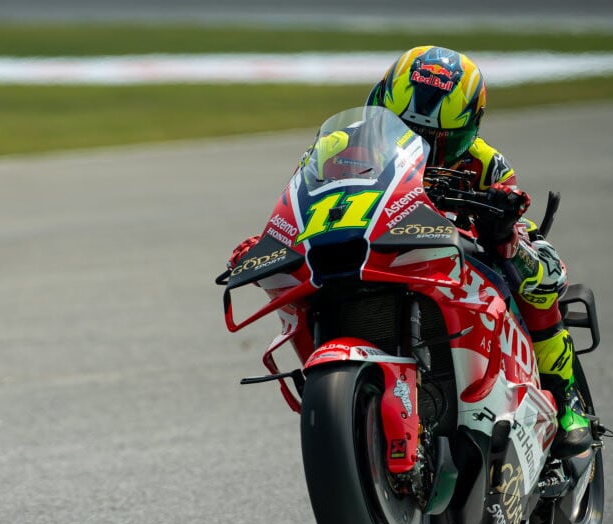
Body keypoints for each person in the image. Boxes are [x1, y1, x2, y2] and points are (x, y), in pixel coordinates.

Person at [229, 45, 591, 457]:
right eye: (405, 127)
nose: (423, 144)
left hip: (455, 253)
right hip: (379, 243)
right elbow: (302, 195)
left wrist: (502, 223)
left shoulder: (484, 162)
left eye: (441, 138)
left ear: (469, 129)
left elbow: (511, 206)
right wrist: (273, 238)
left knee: (541, 273)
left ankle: (567, 399)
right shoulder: (339, 144)